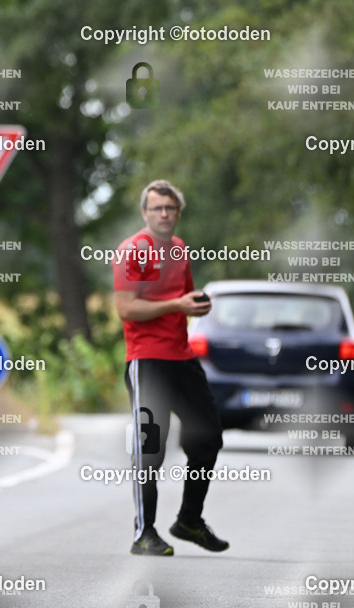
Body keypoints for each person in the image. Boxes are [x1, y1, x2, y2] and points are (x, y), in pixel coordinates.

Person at [113, 179, 229, 556]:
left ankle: (189, 520)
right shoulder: (133, 252)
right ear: (145, 213)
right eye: (156, 208)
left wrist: (196, 304)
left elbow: (185, 298)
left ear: (178, 213)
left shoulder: (179, 250)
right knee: (151, 449)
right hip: (147, 360)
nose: (164, 214)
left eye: (170, 208)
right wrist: (177, 305)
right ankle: (143, 533)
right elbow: (127, 309)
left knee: (208, 437)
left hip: (182, 358)